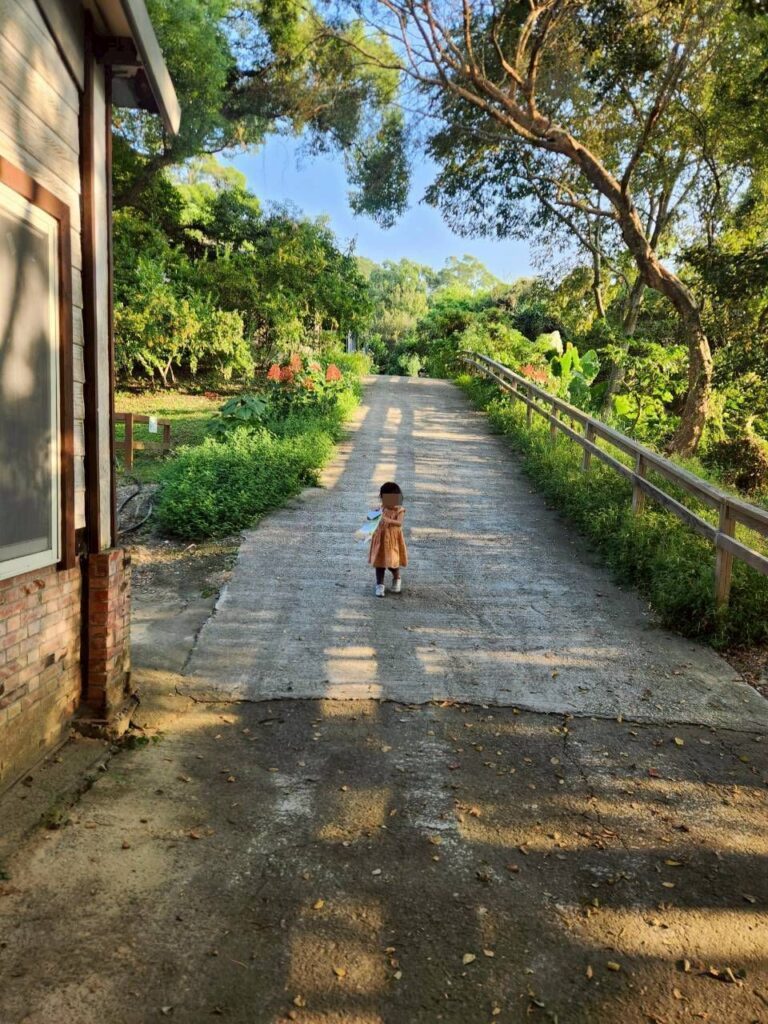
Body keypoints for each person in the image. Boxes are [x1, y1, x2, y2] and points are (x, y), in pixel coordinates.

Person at [368, 481, 408, 597]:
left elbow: (399, 523)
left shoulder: (399, 510)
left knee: (392, 563)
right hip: (380, 539)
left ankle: (397, 577)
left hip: (392, 541)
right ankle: (379, 585)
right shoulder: (381, 508)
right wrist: (372, 515)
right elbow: (372, 519)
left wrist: (389, 520)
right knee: (379, 563)